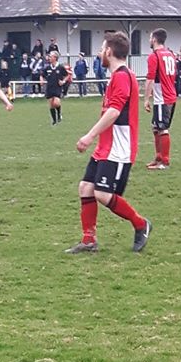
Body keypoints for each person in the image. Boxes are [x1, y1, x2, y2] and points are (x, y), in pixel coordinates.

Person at [66, 31, 151, 254]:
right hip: (106, 147)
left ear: (110, 52)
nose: (99, 52)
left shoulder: (123, 76)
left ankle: (141, 224)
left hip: (118, 148)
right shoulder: (117, 76)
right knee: (86, 187)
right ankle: (89, 240)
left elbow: (114, 112)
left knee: (102, 194)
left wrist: (89, 135)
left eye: (102, 49)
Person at [144, 28, 177, 169]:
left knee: (162, 128)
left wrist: (146, 98)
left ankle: (165, 161)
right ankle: (158, 157)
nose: (149, 40)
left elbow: (150, 79)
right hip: (169, 95)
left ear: (155, 39)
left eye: (150, 37)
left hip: (162, 98)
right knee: (155, 127)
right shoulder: (170, 54)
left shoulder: (154, 56)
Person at [41, 50, 65, 126]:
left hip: (57, 88)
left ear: (55, 58)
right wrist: (41, 79)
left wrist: (63, 81)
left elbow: (67, 75)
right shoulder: (48, 67)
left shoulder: (60, 67)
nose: (49, 58)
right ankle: (54, 121)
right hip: (50, 88)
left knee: (56, 103)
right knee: (51, 104)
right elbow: (42, 74)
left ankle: (59, 114)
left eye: (50, 56)